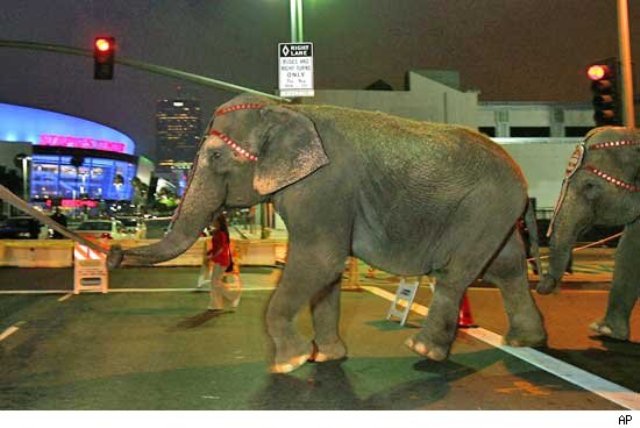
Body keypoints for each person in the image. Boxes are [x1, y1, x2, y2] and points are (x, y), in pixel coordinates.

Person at [206, 213, 241, 312]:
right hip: (219, 259)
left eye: (215, 221)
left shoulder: (221, 233)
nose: (213, 223)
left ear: (219, 222)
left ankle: (232, 295)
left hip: (222, 260)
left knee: (215, 282)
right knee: (214, 282)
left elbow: (222, 248)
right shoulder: (217, 232)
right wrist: (210, 253)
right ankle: (216, 304)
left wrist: (212, 256)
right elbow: (216, 247)